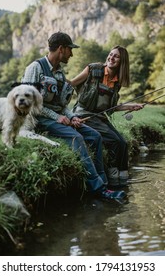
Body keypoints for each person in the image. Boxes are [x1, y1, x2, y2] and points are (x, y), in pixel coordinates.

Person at [21, 32, 126, 200]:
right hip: (38, 119)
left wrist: (72, 117)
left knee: (95, 136)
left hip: (55, 117)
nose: (72, 54)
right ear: (61, 49)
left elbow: (63, 106)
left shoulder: (60, 74)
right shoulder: (35, 68)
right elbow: (28, 104)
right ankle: (98, 189)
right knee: (76, 138)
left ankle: (105, 183)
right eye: (70, 50)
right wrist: (57, 118)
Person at [71, 45, 144, 187]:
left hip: (98, 117)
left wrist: (130, 107)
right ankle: (113, 180)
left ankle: (123, 180)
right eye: (111, 54)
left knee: (122, 143)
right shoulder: (93, 69)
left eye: (116, 56)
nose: (111, 58)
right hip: (83, 114)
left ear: (122, 61)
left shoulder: (116, 82)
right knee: (114, 141)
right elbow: (72, 84)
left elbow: (110, 108)